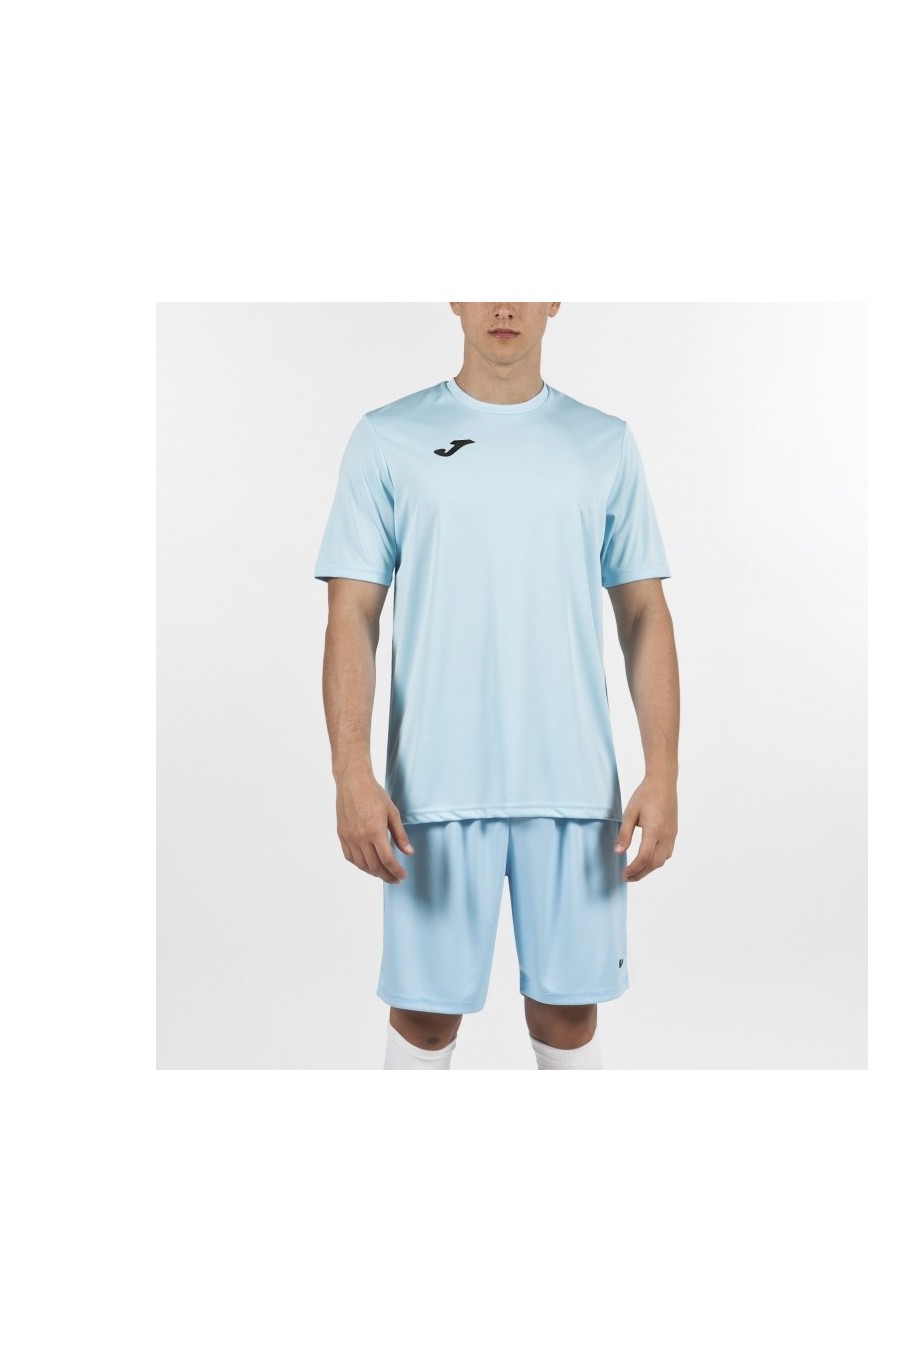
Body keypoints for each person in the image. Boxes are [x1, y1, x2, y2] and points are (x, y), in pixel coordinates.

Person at [314, 303, 679, 1069]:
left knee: (568, 1015)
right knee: (424, 1020)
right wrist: (350, 769)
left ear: (555, 297)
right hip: (433, 793)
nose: (504, 305)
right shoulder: (388, 437)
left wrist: (664, 770)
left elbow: (643, 609)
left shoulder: (603, 442)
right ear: (453, 294)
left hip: (575, 790)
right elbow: (352, 612)